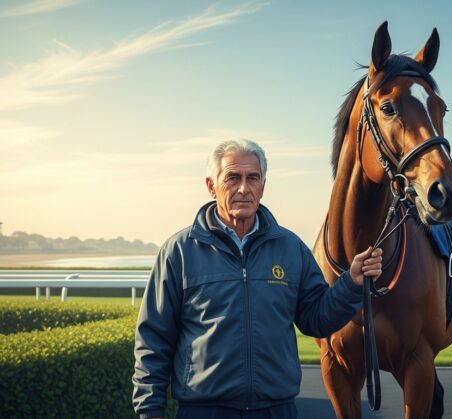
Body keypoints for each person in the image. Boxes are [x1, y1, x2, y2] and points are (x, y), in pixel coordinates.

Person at [133, 138, 382, 419]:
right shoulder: (179, 251)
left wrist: (352, 283)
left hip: (277, 410)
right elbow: (153, 339)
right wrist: (149, 411)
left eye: (253, 178)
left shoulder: (291, 248)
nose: (244, 188)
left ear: (263, 186)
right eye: (232, 178)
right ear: (211, 186)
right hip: (203, 411)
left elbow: (317, 318)